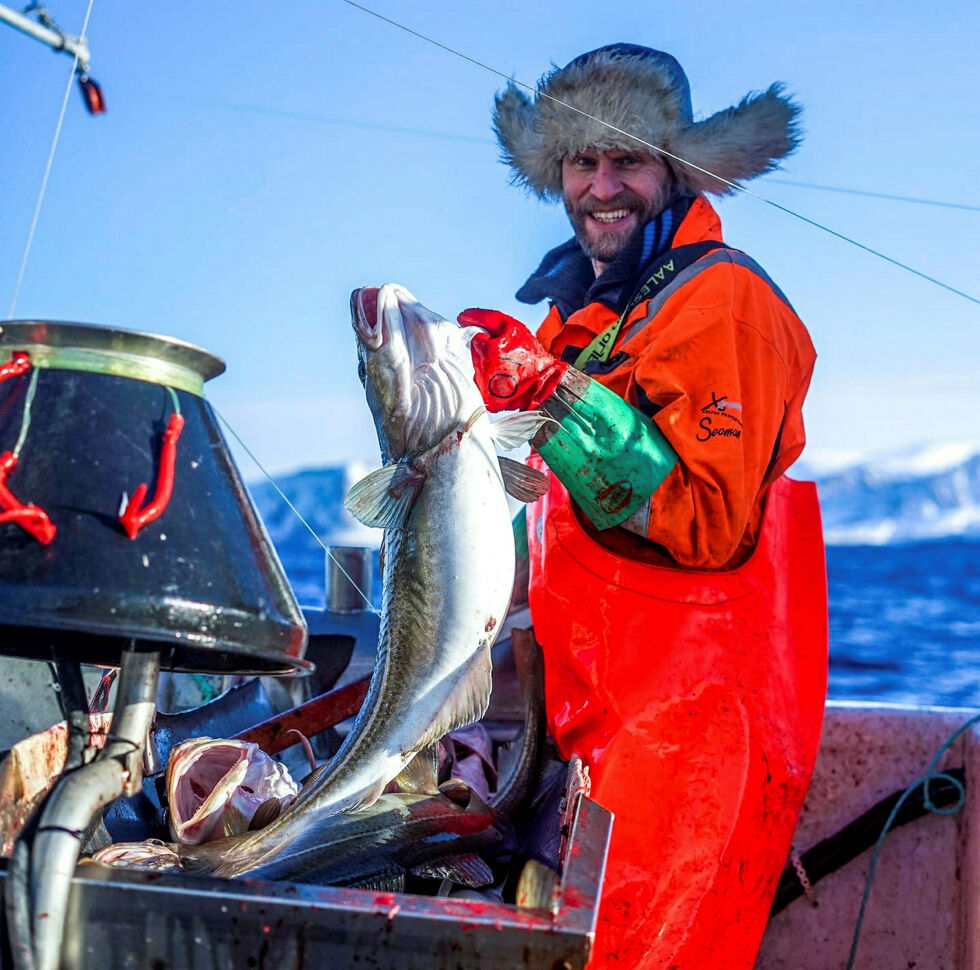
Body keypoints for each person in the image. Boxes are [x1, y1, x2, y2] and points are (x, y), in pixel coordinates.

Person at [460, 45, 829, 968]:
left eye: (626, 159)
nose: (602, 186)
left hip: (691, 741)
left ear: (675, 167)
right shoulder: (582, 321)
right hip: (585, 725)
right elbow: (544, 516)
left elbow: (706, 521)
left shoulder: (723, 302)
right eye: (581, 162)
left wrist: (555, 398)